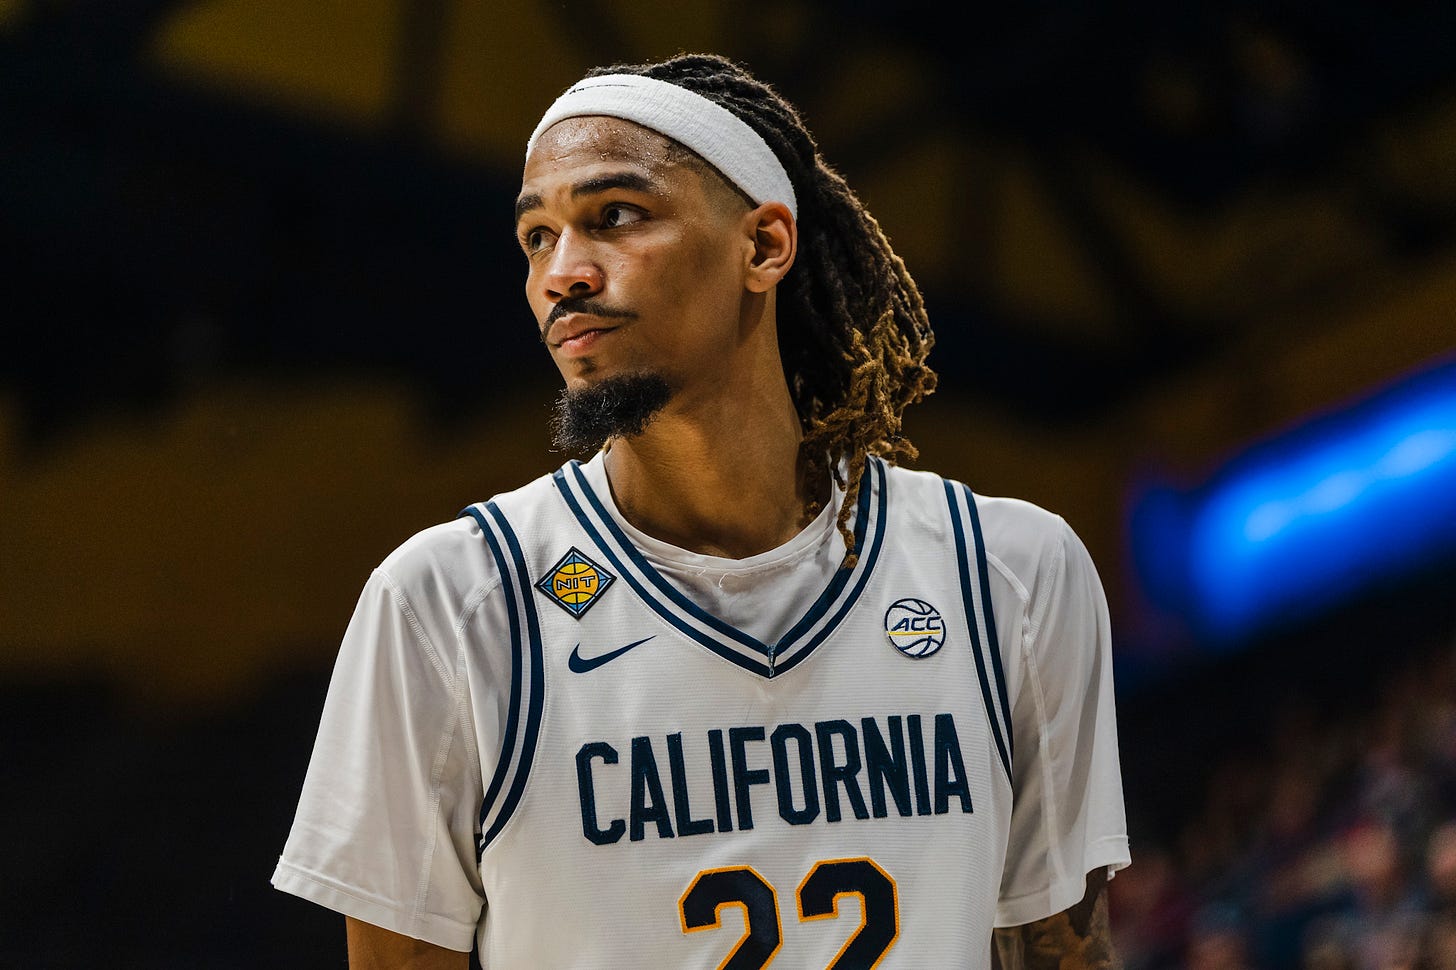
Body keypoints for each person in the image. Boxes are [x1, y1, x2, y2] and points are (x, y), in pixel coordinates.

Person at [272, 52, 1131, 969]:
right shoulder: (452, 604)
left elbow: (1062, 953)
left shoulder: (1009, 576)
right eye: (536, 237)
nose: (562, 273)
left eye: (614, 217)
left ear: (763, 246)